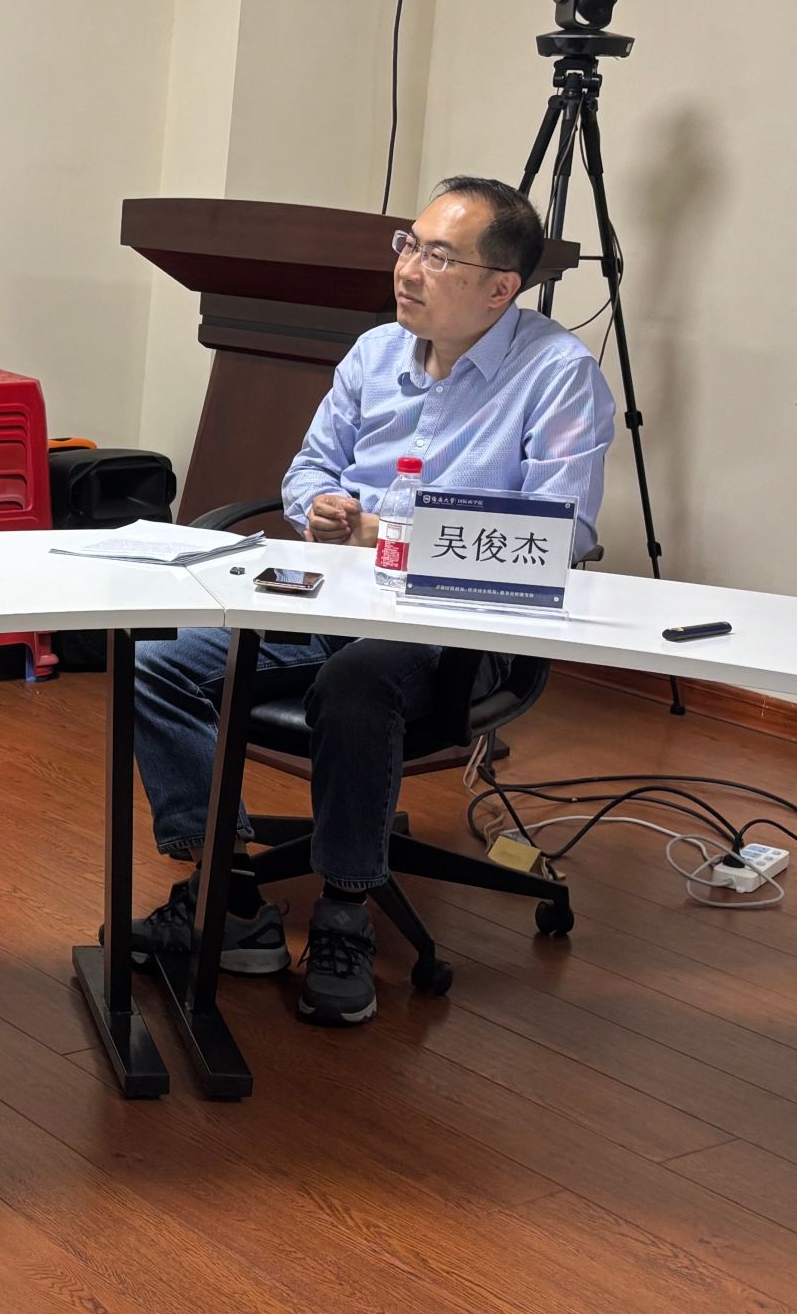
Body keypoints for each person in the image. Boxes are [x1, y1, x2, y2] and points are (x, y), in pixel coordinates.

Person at [129, 176, 617, 1026]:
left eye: (439, 256)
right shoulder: (373, 353)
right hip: (334, 598)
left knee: (357, 682)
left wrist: (389, 530)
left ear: (501, 288)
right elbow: (309, 470)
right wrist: (320, 506)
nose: (408, 269)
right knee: (156, 658)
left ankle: (344, 914)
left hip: (461, 626)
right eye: (409, 245)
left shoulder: (558, 374)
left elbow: (563, 531)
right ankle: (228, 891)